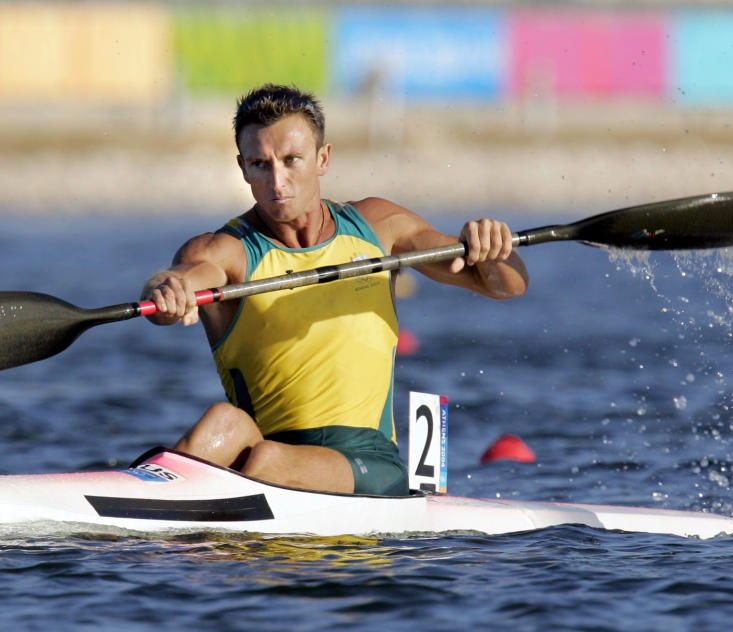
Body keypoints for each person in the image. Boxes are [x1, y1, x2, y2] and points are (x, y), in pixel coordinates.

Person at [141, 84, 528, 496]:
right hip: (268, 453)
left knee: (269, 459)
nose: (277, 181)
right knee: (224, 422)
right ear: (243, 168)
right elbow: (184, 276)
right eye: (260, 164)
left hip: (369, 463)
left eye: (292, 160)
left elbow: (507, 286)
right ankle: (145, 500)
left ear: (323, 158)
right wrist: (169, 289)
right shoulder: (227, 249)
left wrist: (492, 248)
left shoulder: (379, 228)